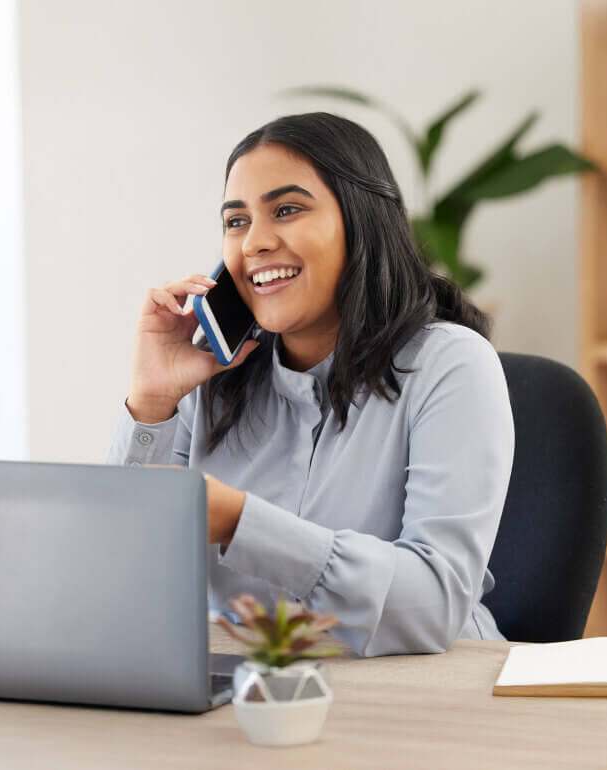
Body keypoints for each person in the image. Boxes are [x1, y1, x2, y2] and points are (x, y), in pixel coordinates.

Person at [109, 112, 514, 656]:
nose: (254, 243)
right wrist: (153, 403)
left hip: (421, 685)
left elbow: (434, 605)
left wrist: (239, 521)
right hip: (253, 683)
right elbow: (119, 580)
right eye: (236, 221)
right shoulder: (208, 379)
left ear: (362, 221)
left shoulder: (450, 364)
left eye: (287, 210)